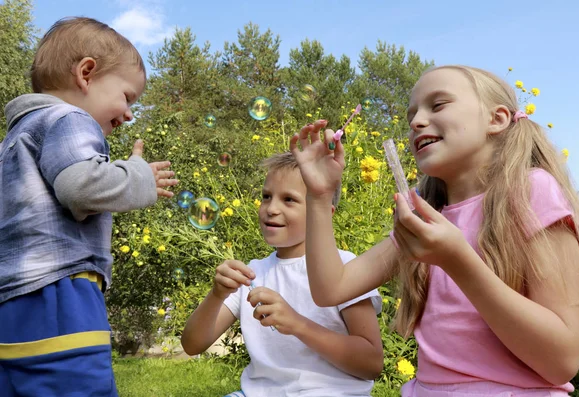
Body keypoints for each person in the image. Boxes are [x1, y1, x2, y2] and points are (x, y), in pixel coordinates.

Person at [290, 65, 579, 396]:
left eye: (437, 105)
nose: (415, 122)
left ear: (496, 119)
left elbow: (561, 362)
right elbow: (331, 289)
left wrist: (457, 260)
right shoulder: (426, 215)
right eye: (412, 114)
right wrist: (319, 197)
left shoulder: (531, 192)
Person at [0, 17, 178, 396]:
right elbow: (81, 187)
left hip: (12, 304)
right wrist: (137, 175)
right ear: (86, 73)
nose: (129, 113)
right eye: (127, 97)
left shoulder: (13, 141)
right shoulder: (71, 119)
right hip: (60, 296)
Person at [181, 152, 384, 397]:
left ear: (323, 212)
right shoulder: (252, 274)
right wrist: (216, 295)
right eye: (266, 197)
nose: (271, 208)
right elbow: (192, 345)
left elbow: (372, 364)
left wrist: (298, 324)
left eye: (289, 199)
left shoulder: (344, 268)